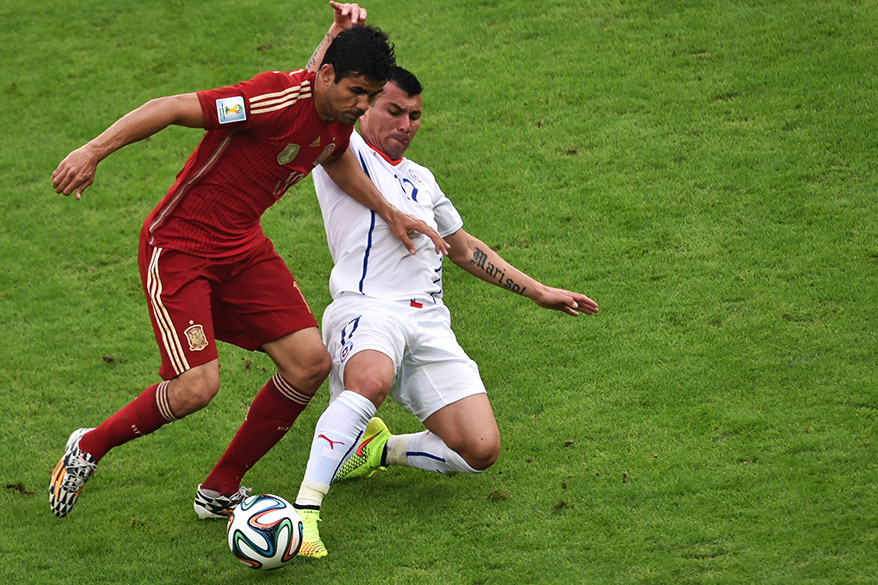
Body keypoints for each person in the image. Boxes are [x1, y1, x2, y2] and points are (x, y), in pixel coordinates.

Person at [48, 2, 446, 520]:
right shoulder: (268, 99)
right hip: (180, 250)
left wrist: (388, 209)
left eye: (372, 96)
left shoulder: (335, 117)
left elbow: (334, 152)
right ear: (326, 75)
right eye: (356, 93)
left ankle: (219, 490)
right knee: (197, 387)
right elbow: (170, 106)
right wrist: (92, 151)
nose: (363, 106)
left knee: (310, 365)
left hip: (243, 250)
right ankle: (88, 447)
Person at [291, 66, 600, 557]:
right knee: (368, 383)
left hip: (429, 322)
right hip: (368, 308)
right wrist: (335, 37)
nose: (406, 124)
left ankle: (376, 449)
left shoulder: (422, 179)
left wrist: (538, 291)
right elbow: (311, 98)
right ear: (365, 103)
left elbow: (462, 248)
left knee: (479, 450)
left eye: (415, 115)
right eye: (394, 110)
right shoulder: (341, 151)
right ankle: (304, 514)